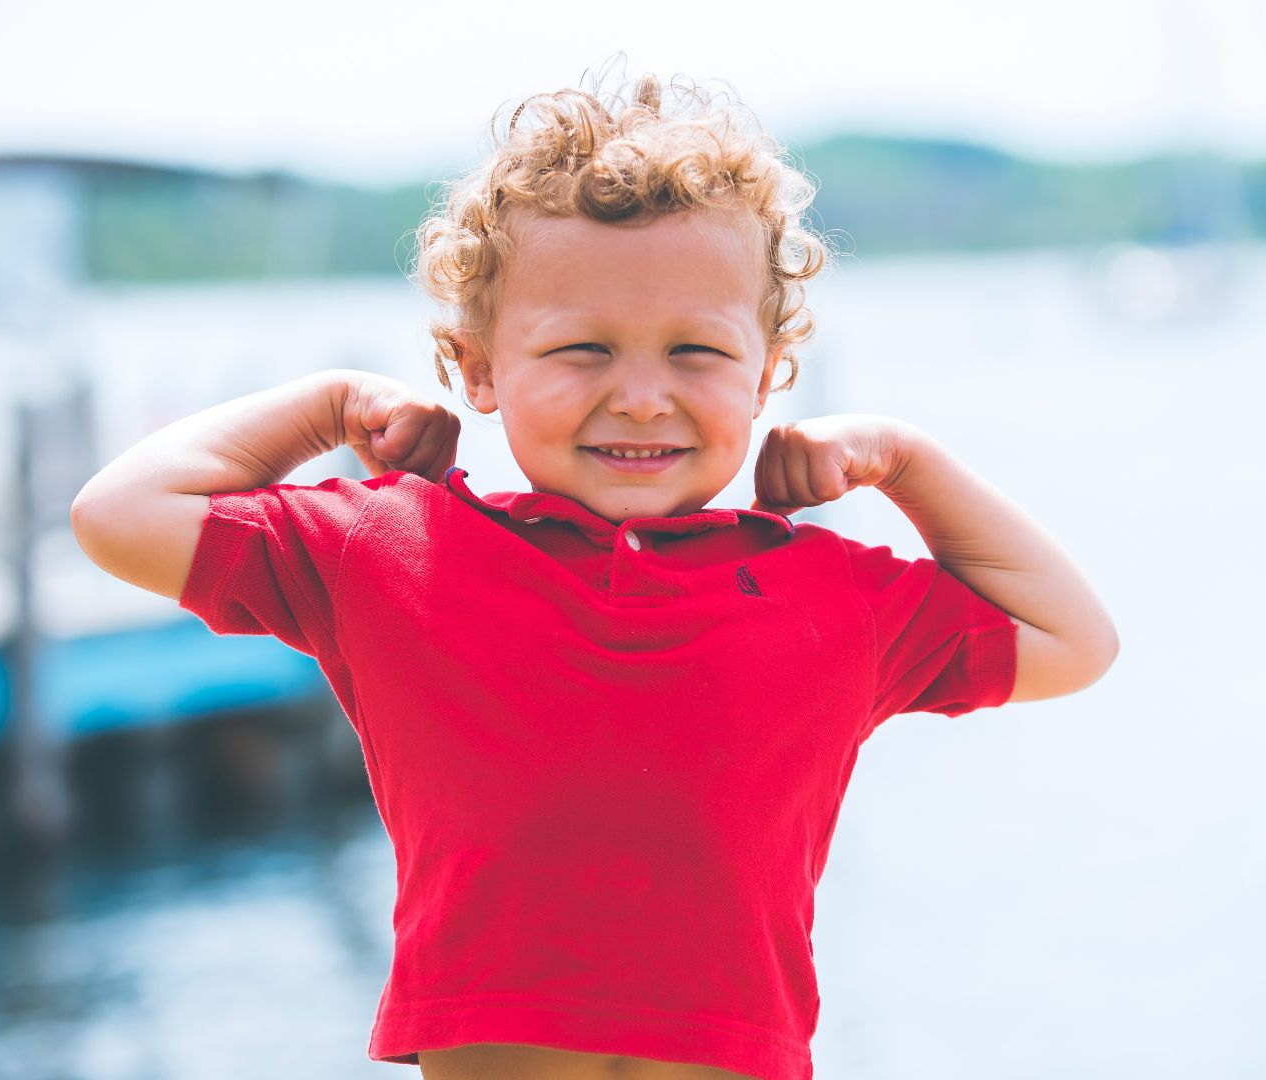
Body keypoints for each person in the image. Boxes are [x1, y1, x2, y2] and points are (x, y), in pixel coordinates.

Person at [71, 63, 1118, 1080]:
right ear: (479, 368)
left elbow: (1077, 643)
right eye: (582, 349)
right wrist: (326, 406)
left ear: (769, 374)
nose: (643, 397)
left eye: (697, 354)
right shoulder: (393, 549)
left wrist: (906, 459)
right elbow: (119, 515)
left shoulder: (831, 592)